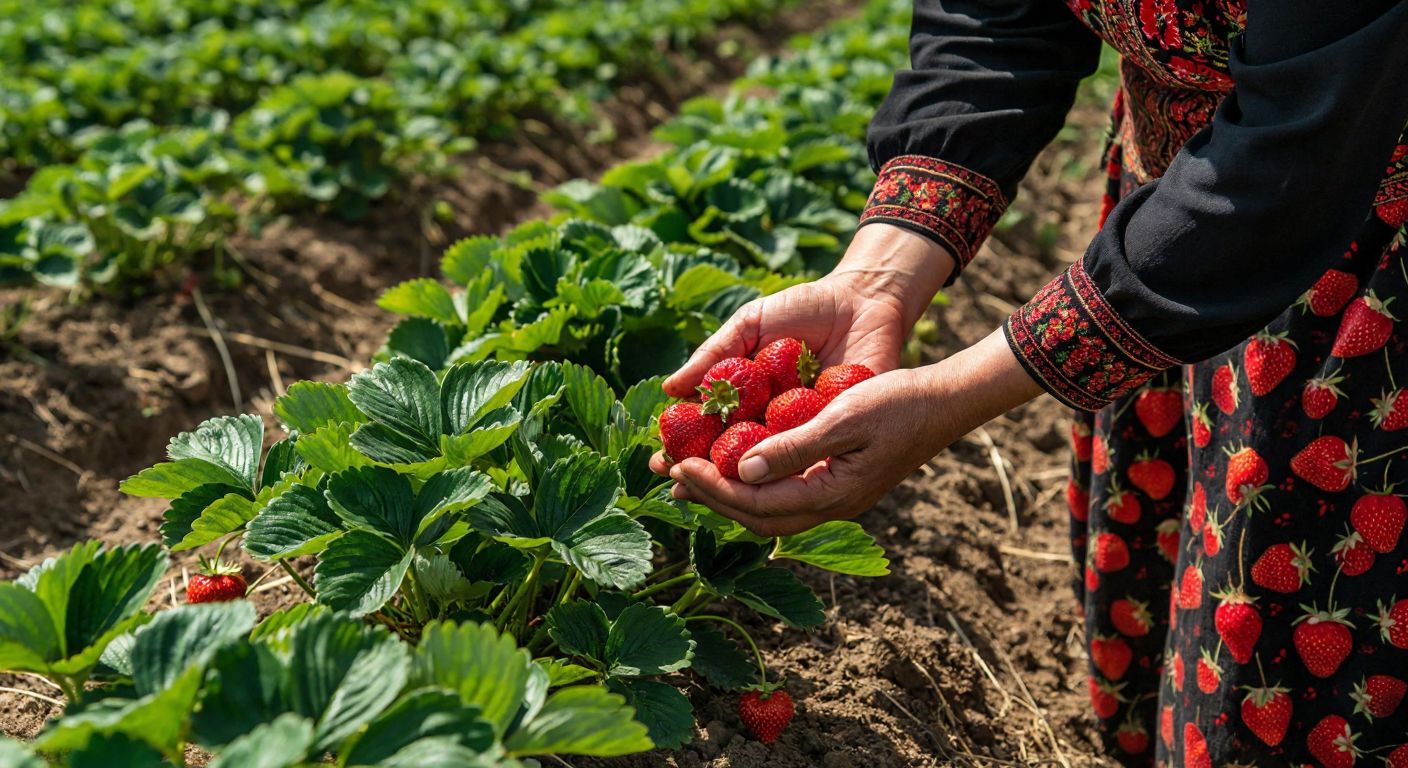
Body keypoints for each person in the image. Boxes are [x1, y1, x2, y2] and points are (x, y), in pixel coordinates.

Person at [651, 0, 1408, 764]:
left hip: (1360, 266)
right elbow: (994, 16)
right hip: (1174, 230)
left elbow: (1299, 144)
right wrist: (877, 277)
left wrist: (954, 395)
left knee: (1299, 670)